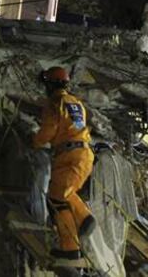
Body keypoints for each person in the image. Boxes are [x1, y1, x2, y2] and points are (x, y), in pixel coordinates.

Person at [32, 66, 96, 261]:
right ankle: (70, 248)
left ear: (50, 84)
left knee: (62, 194)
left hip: (70, 155)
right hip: (83, 154)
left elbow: (48, 132)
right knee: (57, 198)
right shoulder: (75, 103)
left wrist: (34, 141)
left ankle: (85, 218)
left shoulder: (55, 103)